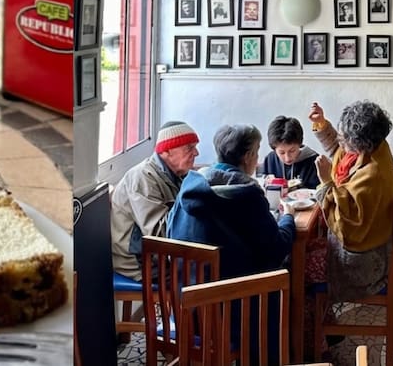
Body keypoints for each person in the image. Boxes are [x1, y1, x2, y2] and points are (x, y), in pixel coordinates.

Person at [167, 123, 296, 364]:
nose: (257, 159)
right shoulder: (247, 195)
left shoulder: (190, 185)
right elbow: (276, 248)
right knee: (281, 274)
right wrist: (288, 218)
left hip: (188, 304)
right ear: (248, 157)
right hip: (233, 310)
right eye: (257, 152)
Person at [306, 101, 393, 309]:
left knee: (297, 267)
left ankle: (313, 335)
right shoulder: (375, 147)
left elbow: (347, 227)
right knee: (304, 249)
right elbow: (339, 152)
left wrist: (326, 182)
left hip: (361, 263)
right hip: (370, 249)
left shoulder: (373, 173)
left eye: (344, 138)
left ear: (361, 143)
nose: (340, 140)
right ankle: (321, 329)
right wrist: (321, 123)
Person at [109, 121, 201, 281]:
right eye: (189, 148)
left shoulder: (176, 174)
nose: (196, 153)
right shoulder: (143, 178)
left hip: (158, 257)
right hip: (141, 263)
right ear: (166, 151)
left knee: (219, 262)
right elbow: (160, 236)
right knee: (208, 274)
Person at [260, 115, 320, 188]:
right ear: (274, 148)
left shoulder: (315, 161)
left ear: (299, 144)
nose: (287, 158)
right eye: (282, 152)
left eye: (292, 151)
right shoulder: (270, 159)